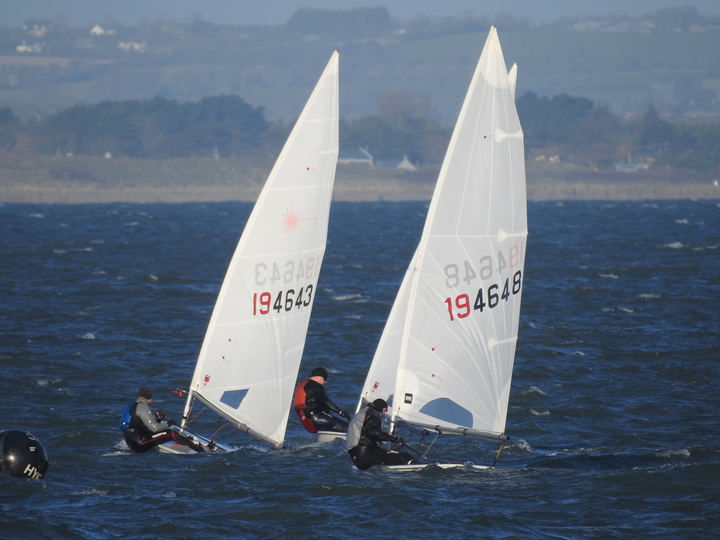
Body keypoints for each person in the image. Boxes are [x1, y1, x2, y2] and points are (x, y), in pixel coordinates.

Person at [121, 387, 207, 453]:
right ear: (149, 398)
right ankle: (198, 449)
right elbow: (155, 428)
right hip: (139, 443)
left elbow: (142, 426)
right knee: (171, 433)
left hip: (131, 441)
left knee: (158, 431)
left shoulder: (132, 405)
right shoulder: (143, 406)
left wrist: (158, 420)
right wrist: (169, 424)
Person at [346, 398, 420, 470]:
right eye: (384, 411)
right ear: (379, 408)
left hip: (357, 457)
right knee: (405, 457)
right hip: (367, 454)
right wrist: (394, 439)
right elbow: (374, 432)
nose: (384, 414)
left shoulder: (361, 413)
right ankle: (418, 467)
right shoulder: (372, 414)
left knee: (388, 455)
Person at [293, 367, 351, 434]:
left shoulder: (302, 386)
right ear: (319, 377)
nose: (325, 382)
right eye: (325, 379)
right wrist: (341, 412)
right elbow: (326, 401)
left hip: (307, 422)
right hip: (317, 419)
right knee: (350, 428)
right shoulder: (315, 385)